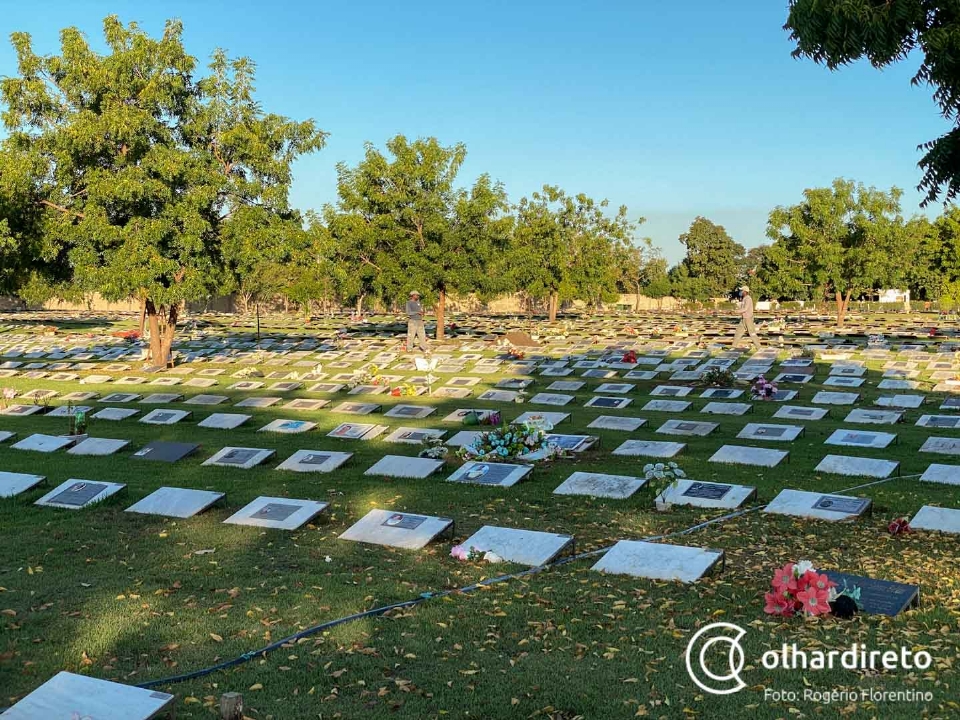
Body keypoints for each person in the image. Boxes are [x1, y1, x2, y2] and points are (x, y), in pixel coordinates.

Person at [733, 285, 761, 351]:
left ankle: (759, 348)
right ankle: (733, 346)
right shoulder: (744, 299)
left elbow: (745, 309)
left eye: (741, 291)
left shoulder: (748, 298)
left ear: (745, 291)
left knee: (752, 333)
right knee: (738, 332)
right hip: (743, 319)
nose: (740, 292)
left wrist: (736, 311)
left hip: (748, 319)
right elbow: (743, 308)